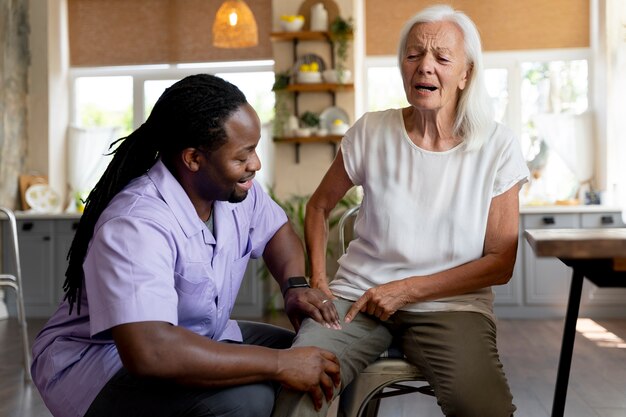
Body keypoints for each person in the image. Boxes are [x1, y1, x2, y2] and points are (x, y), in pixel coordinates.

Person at [30, 74, 341, 417]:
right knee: (248, 401)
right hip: (103, 364)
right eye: (244, 155)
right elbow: (151, 351)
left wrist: (294, 286)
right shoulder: (136, 224)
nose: (256, 164)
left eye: (255, 148)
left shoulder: (234, 191)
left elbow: (277, 231)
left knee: (322, 356)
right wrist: (280, 364)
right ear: (194, 158)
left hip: (196, 338)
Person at [272, 5, 529, 417]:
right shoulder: (371, 131)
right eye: (413, 55)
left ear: (466, 74)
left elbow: (500, 263)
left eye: (442, 58)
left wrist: (406, 290)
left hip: (451, 306)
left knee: (484, 409)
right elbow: (319, 206)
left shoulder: (498, 146)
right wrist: (319, 282)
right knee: (298, 388)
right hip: (356, 297)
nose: (425, 67)